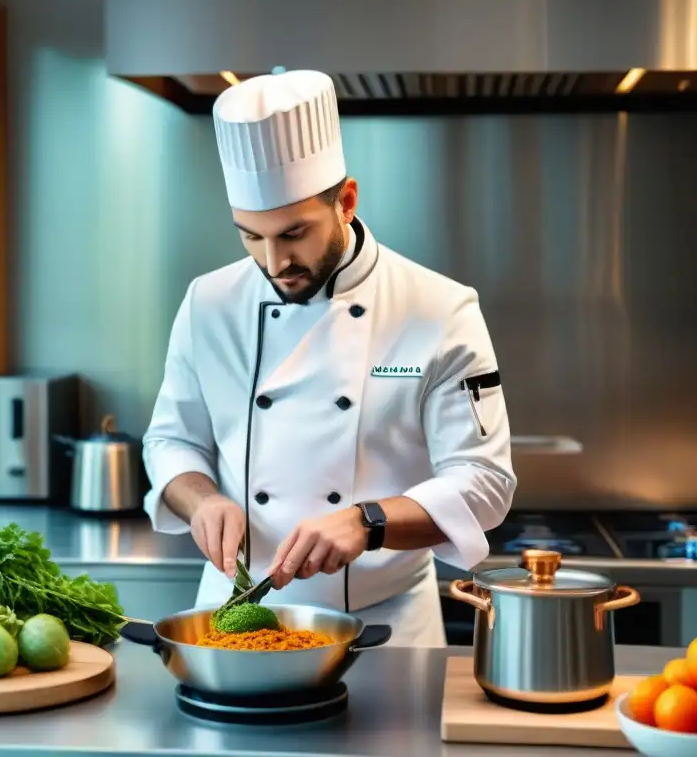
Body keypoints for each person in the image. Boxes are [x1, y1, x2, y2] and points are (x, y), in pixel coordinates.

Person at [141, 70, 516, 647]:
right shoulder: (208, 302)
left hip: (384, 622)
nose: (273, 261)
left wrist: (370, 522)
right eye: (250, 236)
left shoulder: (438, 309)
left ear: (346, 201)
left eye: (294, 233)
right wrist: (202, 501)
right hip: (234, 612)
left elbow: (485, 481)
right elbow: (171, 442)